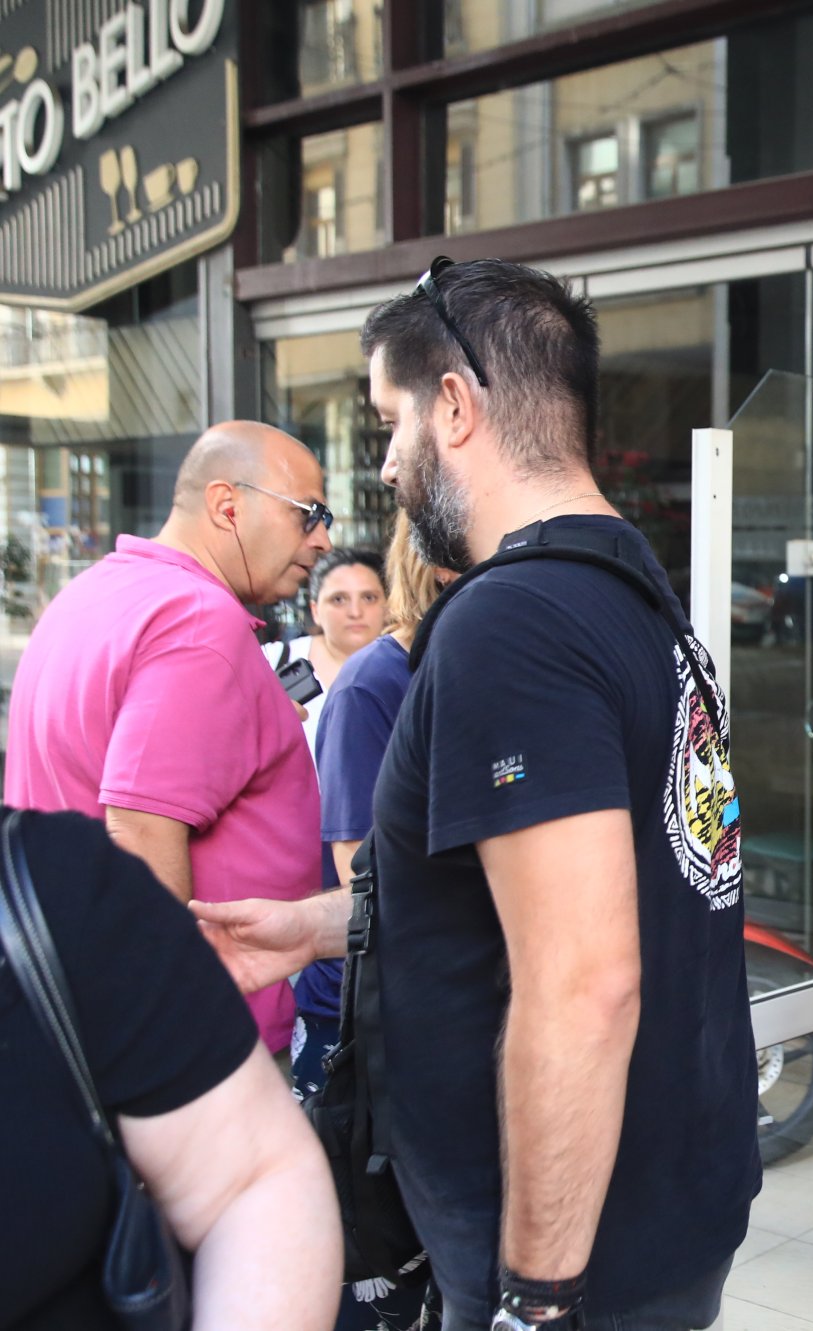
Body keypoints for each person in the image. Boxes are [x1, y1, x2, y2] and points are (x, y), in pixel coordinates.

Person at [194, 258, 757, 1331]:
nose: (387, 464)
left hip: (568, 1260)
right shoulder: (633, 592)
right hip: (662, 1211)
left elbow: (584, 980)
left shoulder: (518, 619)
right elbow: (575, 892)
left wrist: (535, 1299)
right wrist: (319, 927)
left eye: (391, 421)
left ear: (454, 405)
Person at [5, 421, 331, 1053]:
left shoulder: (94, 591)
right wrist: (168, 1043)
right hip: (187, 1040)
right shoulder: (196, 621)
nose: (322, 539)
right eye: (309, 514)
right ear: (227, 505)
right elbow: (140, 831)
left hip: (75, 1001)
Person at [1, 806, 341, 1329]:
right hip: (240, 1020)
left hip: (219, 1041)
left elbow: (250, 1180)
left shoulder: (56, 875)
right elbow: (141, 828)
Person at [290, 513, 450, 1331]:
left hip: (428, 1003)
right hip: (358, 1011)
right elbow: (361, 867)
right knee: (366, 1257)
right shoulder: (369, 687)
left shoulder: (445, 667)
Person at [264, 546, 388, 755]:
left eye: (369, 598)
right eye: (339, 599)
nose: (355, 612)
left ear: (388, 606)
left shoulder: (408, 670)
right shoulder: (271, 660)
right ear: (315, 610)